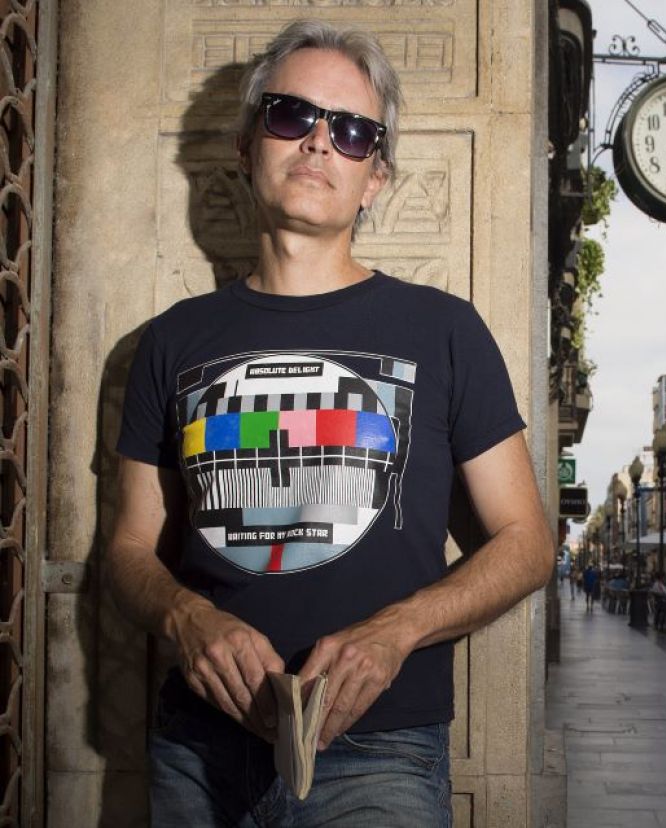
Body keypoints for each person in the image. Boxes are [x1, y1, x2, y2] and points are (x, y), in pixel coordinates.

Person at [107, 20, 554, 827]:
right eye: (291, 115)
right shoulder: (171, 341)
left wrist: (395, 631)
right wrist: (187, 617)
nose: (318, 141)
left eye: (350, 131)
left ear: (374, 178)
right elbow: (130, 548)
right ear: (247, 145)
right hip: (198, 749)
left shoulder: (443, 330)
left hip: (380, 750)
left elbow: (526, 542)